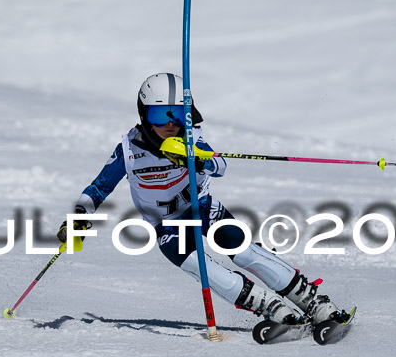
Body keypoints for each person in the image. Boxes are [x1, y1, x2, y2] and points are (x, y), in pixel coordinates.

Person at [58, 73, 350, 326]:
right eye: (160, 116)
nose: (170, 125)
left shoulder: (190, 138)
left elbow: (221, 166)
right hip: (167, 227)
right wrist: (79, 218)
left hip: (202, 208)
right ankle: (270, 308)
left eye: (177, 114)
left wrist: (198, 160)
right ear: (143, 115)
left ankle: (312, 300)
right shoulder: (129, 150)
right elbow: (98, 188)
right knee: (200, 266)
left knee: (242, 251)